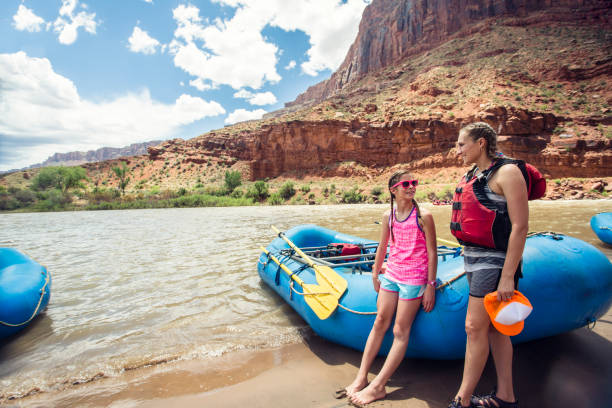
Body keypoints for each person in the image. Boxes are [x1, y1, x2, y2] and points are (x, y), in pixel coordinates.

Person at [448, 122, 528, 408]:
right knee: (494, 328)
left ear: (481, 143)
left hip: (493, 262)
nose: (457, 151)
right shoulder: (473, 174)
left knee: (473, 327)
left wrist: (507, 277)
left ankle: (463, 399)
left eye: (461, 144)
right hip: (472, 257)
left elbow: (520, 227)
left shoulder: (507, 173)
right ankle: (506, 395)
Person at [342, 170, 438, 406]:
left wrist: (430, 286)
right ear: (393, 190)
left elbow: (433, 252)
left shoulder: (424, 215)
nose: (411, 186)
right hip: (392, 274)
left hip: (414, 278)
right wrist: (375, 273)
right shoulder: (389, 216)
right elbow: (383, 246)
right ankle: (361, 377)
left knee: (399, 330)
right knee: (379, 322)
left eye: (414, 183)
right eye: (406, 184)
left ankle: (378, 386)